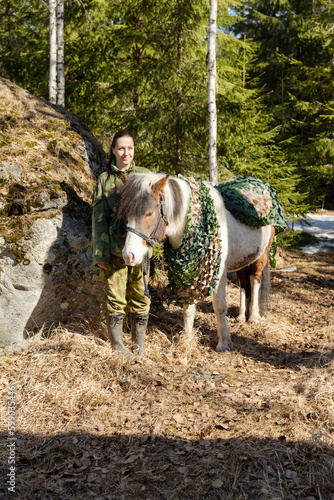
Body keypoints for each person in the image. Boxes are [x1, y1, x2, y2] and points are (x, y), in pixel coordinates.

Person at [92, 130, 151, 358]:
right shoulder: (105, 180)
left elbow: (154, 214)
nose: (126, 153)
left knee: (141, 297)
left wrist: (151, 249)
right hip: (115, 252)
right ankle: (118, 347)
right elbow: (98, 220)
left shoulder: (145, 176)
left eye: (130, 148)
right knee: (115, 300)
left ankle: (139, 346)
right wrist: (100, 255)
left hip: (140, 252)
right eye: (121, 148)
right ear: (113, 151)